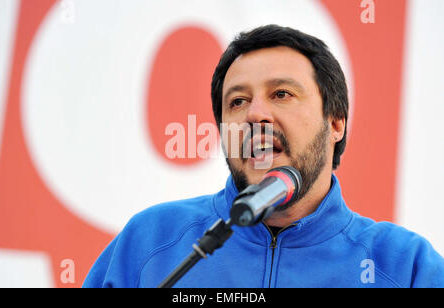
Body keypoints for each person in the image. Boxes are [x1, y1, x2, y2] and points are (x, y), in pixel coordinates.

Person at [83, 25, 444, 288]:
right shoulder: (149, 241)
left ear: (335, 123)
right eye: (237, 102)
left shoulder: (406, 265)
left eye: (282, 94)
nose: (255, 114)